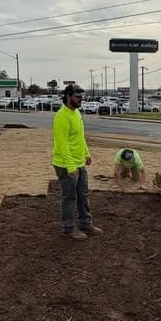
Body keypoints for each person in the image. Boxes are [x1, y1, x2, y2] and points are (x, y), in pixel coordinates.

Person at [52, 84, 102, 240]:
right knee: (69, 197)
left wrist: (86, 153)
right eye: (78, 97)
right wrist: (70, 166)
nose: (81, 100)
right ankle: (68, 228)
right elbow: (62, 143)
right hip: (65, 164)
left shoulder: (77, 113)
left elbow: (79, 137)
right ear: (68, 97)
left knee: (83, 194)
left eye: (82, 97)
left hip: (79, 162)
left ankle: (85, 223)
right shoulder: (62, 116)